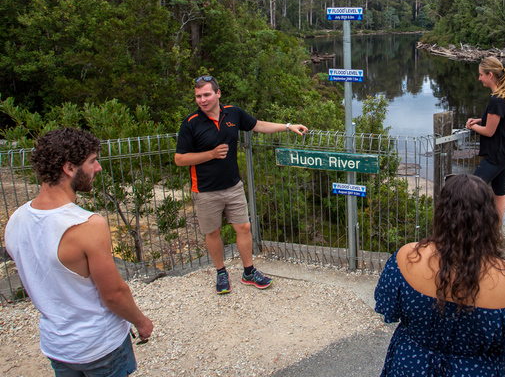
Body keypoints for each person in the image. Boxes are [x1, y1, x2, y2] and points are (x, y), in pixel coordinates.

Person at [5, 128, 154, 376]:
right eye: (92, 161)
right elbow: (114, 294)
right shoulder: (87, 225)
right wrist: (141, 321)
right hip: (99, 345)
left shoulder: (16, 220)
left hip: (57, 347)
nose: (98, 168)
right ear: (69, 168)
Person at [374, 174, 505, 376]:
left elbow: (388, 306)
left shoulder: (406, 258)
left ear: (441, 214)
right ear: (490, 218)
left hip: (411, 364)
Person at [174, 75, 308, 294]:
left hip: (233, 185)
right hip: (205, 190)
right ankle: (221, 273)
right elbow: (179, 159)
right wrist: (211, 154)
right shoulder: (191, 124)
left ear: (218, 94)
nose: (202, 100)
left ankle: (249, 272)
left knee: (243, 227)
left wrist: (287, 126)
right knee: (213, 232)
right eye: (198, 96)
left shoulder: (233, 113)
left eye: (207, 94)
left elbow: (258, 125)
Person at [465, 56, 505, 219]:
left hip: (495, 155)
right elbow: (501, 120)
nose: (479, 78)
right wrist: (480, 120)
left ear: (490, 75)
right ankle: (496, 230)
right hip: (504, 153)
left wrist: (472, 126)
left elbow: (489, 131)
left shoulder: (497, 99)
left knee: (470, 191)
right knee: (500, 191)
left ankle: (476, 229)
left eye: (481, 74)